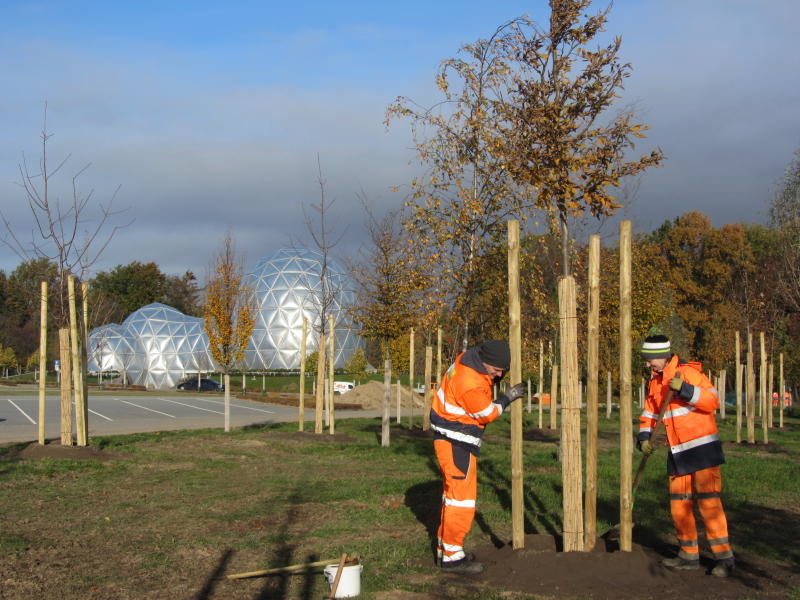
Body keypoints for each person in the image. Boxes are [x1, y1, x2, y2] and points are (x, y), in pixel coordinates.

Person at [638, 333, 735, 578]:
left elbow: (712, 401)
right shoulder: (655, 382)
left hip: (702, 450)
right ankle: (688, 554)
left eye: (651, 360)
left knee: (709, 504)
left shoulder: (687, 373)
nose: (648, 364)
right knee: (679, 505)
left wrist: (686, 390)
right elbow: (650, 414)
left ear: (661, 356)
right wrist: (642, 438)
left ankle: (724, 558)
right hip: (677, 451)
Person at [429, 339, 524, 574]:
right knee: (461, 501)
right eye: (496, 370)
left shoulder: (468, 358)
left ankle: (446, 549)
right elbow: (485, 414)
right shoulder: (469, 382)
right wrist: (506, 398)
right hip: (456, 441)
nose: (499, 374)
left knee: (452, 497)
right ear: (484, 363)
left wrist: (496, 378)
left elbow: (488, 378)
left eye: (503, 370)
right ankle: (452, 557)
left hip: (450, 436)